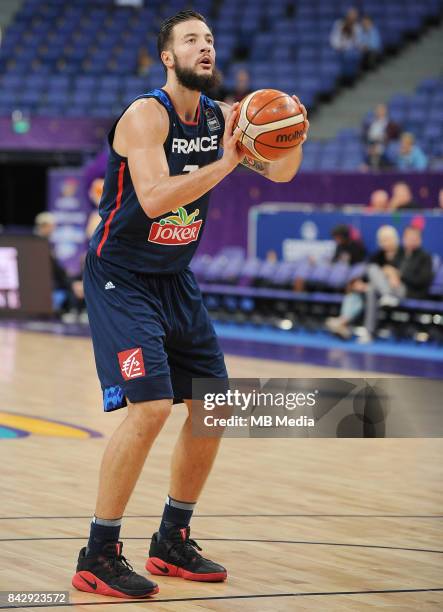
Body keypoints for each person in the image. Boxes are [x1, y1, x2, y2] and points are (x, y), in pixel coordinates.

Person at [72, 10, 309, 599]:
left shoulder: (224, 116)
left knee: (214, 405)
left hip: (175, 279)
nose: (204, 47)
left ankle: (171, 540)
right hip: (120, 277)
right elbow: (152, 200)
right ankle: (98, 553)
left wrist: (288, 129)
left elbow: (281, 173)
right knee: (150, 409)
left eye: (208, 39)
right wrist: (228, 160)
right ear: (168, 58)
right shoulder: (144, 116)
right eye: (190, 40)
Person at [359, 226, 433, 342]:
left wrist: (399, 275)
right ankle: (369, 332)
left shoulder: (425, 257)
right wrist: (390, 273)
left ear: (419, 239)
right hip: (392, 288)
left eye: (414, 238)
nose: (410, 240)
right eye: (408, 237)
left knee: (373, 287)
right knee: (372, 282)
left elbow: (422, 281)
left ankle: (386, 295)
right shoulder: (400, 254)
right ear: (404, 238)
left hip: (409, 291)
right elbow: (388, 269)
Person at [326, 225, 402, 339]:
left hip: (397, 289)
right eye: (382, 240)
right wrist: (361, 283)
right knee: (356, 291)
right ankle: (344, 322)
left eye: (387, 239)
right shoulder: (378, 255)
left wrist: (393, 273)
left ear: (395, 239)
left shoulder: (403, 254)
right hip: (376, 289)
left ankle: (348, 324)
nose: (384, 243)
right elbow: (368, 273)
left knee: (372, 277)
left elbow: (405, 276)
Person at [363, 103, 400, 169]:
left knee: (379, 151)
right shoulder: (371, 124)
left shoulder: (391, 124)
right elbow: (367, 138)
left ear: (386, 111)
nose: (379, 112)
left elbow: (394, 136)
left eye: (381, 110)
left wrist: (382, 139)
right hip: (372, 148)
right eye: (378, 110)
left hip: (385, 148)